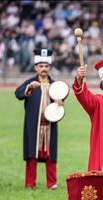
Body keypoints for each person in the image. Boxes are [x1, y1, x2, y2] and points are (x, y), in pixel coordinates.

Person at [15, 49, 63, 190]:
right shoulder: (30, 82)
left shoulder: (55, 85)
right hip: (33, 124)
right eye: (40, 66)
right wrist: (29, 87)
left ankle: (52, 183)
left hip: (49, 124)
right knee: (32, 153)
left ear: (50, 67)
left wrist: (59, 103)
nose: (43, 69)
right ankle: (30, 183)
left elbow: (60, 100)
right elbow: (18, 93)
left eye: (46, 66)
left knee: (50, 154)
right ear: (36, 67)